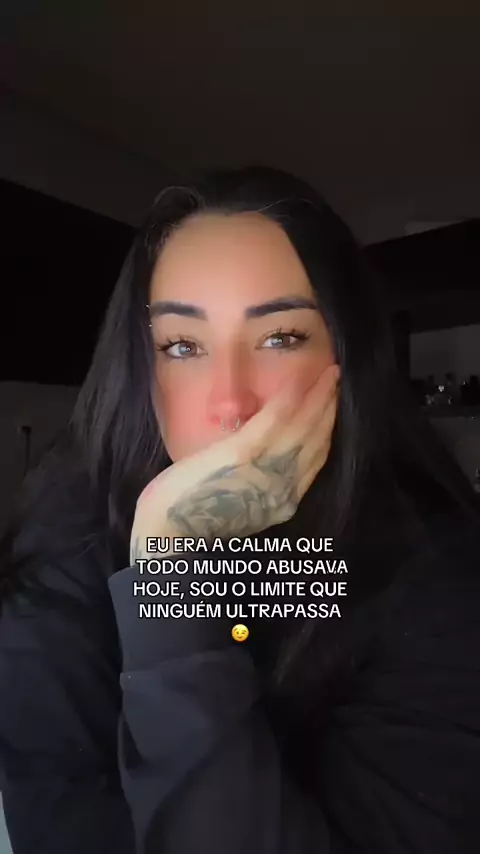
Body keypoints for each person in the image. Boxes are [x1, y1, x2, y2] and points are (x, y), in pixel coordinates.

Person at [0, 166, 479, 854]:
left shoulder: (438, 575)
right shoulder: (70, 523)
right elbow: (58, 814)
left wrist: (170, 585)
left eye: (280, 337)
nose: (231, 402)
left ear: (349, 357)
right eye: (183, 346)